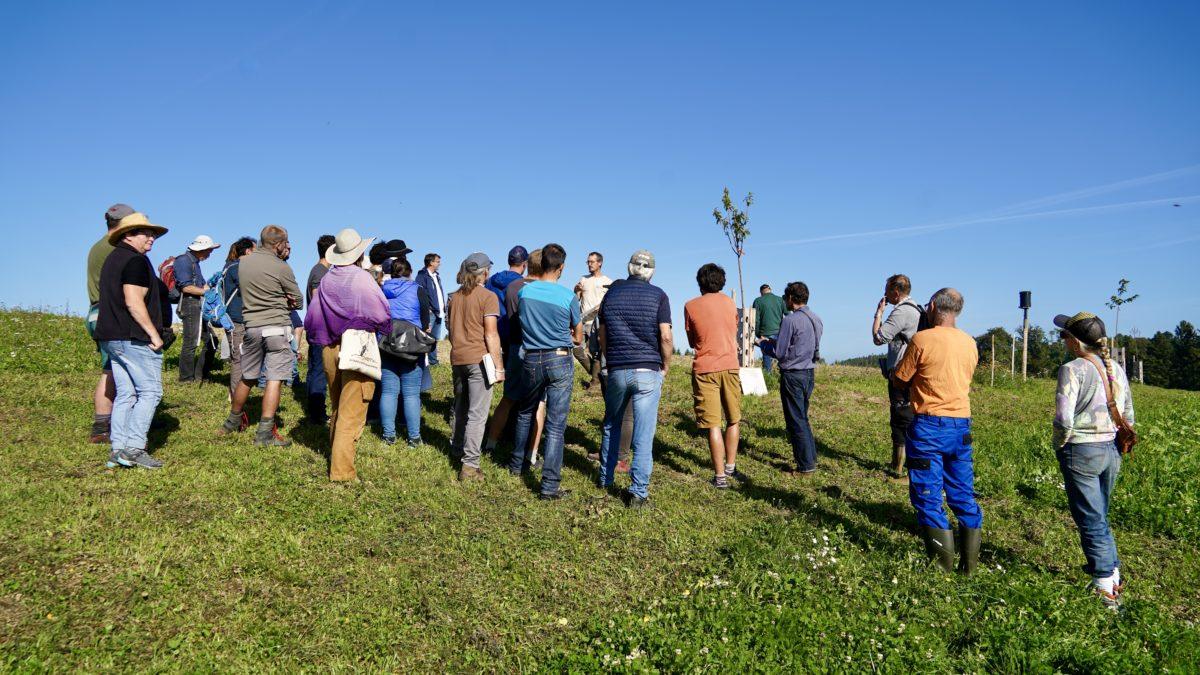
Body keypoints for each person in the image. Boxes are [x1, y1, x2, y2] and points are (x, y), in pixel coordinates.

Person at [890, 288, 981, 575]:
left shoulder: (922, 339)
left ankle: (941, 568)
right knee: (963, 493)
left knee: (927, 493)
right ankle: (969, 567)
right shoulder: (970, 343)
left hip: (928, 426)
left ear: (931, 307)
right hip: (961, 425)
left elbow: (901, 378)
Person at [1052, 311, 1135, 609]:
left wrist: (1060, 445)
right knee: (1100, 516)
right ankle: (1113, 574)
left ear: (1075, 342)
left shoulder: (1072, 369)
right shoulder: (1116, 369)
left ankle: (1104, 588)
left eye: (1064, 336)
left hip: (1081, 450)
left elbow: (1064, 419)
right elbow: (1128, 414)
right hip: (1111, 450)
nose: (1062, 340)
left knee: (1090, 520)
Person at [304, 229, 391, 482]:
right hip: (357, 348)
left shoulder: (327, 279)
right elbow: (382, 313)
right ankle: (342, 472)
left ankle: (336, 457)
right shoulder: (362, 278)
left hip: (330, 347)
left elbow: (313, 317)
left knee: (338, 406)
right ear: (359, 253)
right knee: (351, 412)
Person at [596, 250, 672, 508]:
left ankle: (605, 479)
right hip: (648, 370)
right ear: (651, 271)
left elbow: (602, 333)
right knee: (644, 432)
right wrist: (665, 365)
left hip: (618, 368)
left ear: (629, 268)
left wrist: (610, 359)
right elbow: (665, 336)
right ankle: (638, 492)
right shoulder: (659, 295)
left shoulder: (611, 295)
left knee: (611, 423)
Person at [94, 212, 170, 470]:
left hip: (112, 336)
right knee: (151, 392)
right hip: (133, 337)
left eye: (153, 234)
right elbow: (134, 302)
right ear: (127, 235)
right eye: (145, 233)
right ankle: (135, 449)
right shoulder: (136, 261)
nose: (151, 238)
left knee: (126, 394)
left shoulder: (113, 259)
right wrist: (154, 334)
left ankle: (118, 449)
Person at [508, 243, 582, 499]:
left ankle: (516, 465)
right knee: (556, 425)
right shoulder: (568, 297)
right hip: (559, 358)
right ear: (561, 267)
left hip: (531, 357)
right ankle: (549, 485)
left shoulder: (525, 293)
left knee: (525, 412)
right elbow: (578, 337)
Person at [218, 225, 302, 447]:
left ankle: (231, 422)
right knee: (274, 379)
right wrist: (285, 299)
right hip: (276, 328)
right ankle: (264, 434)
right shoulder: (281, 266)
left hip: (251, 326)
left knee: (247, 376)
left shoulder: (243, 263)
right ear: (279, 244)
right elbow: (298, 300)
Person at [484, 249, 547, 459]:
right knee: (539, 402)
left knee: (509, 398)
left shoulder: (512, 287)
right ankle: (531, 453)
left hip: (514, 344)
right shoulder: (543, 289)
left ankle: (491, 443)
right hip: (536, 347)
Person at [684, 264, 742, 489]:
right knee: (733, 419)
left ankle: (720, 478)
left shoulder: (690, 306)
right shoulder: (730, 303)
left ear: (700, 282)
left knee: (713, 424)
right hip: (730, 365)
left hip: (705, 368)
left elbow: (692, 342)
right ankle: (731, 467)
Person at [448, 253, 505, 481]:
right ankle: (470, 465)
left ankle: (457, 449)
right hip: (479, 359)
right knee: (477, 414)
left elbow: (451, 330)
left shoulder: (454, 297)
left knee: (461, 408)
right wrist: (499, 366)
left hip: (457, 357)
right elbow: (491, 334)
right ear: (485, 272)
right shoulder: (488, 297)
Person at [85, 202, 135, 444]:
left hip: (97, 312)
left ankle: (107, 422)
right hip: (110, 313)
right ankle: (102, 426)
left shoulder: (98, 246)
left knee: (113, 369)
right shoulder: (115, 248)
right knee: (112, 371)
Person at [872, 273, 922, 483]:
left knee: (901, 418)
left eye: (887, 290)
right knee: (904, 416)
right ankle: (899, 465)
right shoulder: (917, 309)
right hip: (912, 371)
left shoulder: (901, 312)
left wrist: (878, 314)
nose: (884, 294)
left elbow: (879, 338)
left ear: (895, 291)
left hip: (902, 373)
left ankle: (903, 468)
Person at [380, 257, 432, 447]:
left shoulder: (382, 290)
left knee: (388, 392)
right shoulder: (417, 289)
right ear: (409, 272)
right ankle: (414, 438)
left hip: (387, 343)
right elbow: (425, 319)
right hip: (412, 344)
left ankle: (388, 436)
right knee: (411, 394)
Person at [774, 282, 823, 476]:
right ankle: (811, 458)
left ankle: (805, 466)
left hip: (793, 374)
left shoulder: (790, 320)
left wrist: (764, 344)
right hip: (809, 373)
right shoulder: (816, 318)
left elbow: (780, 352)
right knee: (803, 417)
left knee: (796, 420)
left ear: (790, 298)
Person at [174, 234, 222, 383]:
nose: (210, 254)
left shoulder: (194, 262)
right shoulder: (183, 260)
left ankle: (201, 375)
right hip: (190, 304)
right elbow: (186, 287)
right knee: (191, 341)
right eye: (209, 250)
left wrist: (212, 284)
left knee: (211, 340)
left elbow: (200, 286)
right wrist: (206, 292)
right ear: (202, 249)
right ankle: (186, 378)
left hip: (197, 304)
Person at [304, 234, 336, 424]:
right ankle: (317, 413)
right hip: (321, 329)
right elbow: (318, 301)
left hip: (318, 328)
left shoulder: (319, 271)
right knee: (319, 371)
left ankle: (314, 410)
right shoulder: (320, 273)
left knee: (315, 370)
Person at [221, 237, 256, 402]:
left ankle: (237, 392)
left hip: (237, 318)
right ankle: (236, 396)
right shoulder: (238, 268)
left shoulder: (231, 266)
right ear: (248, 251)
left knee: (242, 356)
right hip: (237, 319)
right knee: (239, 357)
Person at [573, 251, 611, 389]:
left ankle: (595, 383)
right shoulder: (583, 279)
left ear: (599, 263)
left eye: (592, 262)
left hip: (597, 322)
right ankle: (597, 375)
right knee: (576, 349)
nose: (589, 264)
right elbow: (576, 299)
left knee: (596, 354)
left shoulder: (608, 282)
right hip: (582, 321)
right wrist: (576, 290)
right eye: (588, 262)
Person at [415, 252, 447, 391]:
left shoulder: (436, 276)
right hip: (430, 312)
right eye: (437, 261)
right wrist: (426, 308)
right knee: (426, 337)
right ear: (431, 262)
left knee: (435, 338)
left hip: (439, 311)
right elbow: (419, 292)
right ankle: (425, 361)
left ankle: (434, 361)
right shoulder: (422, 276)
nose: (439, 264)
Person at [752, 284, 785, 373]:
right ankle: (782, 374)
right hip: (779, 333)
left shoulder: (758, 301)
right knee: (781, 355)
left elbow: (756, 320)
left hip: (765, 333)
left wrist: (758, 334)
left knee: (767, 357)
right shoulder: (780, 300)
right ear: (770, 290)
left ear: (761, 292)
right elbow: (788, 315)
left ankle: (768, 376)